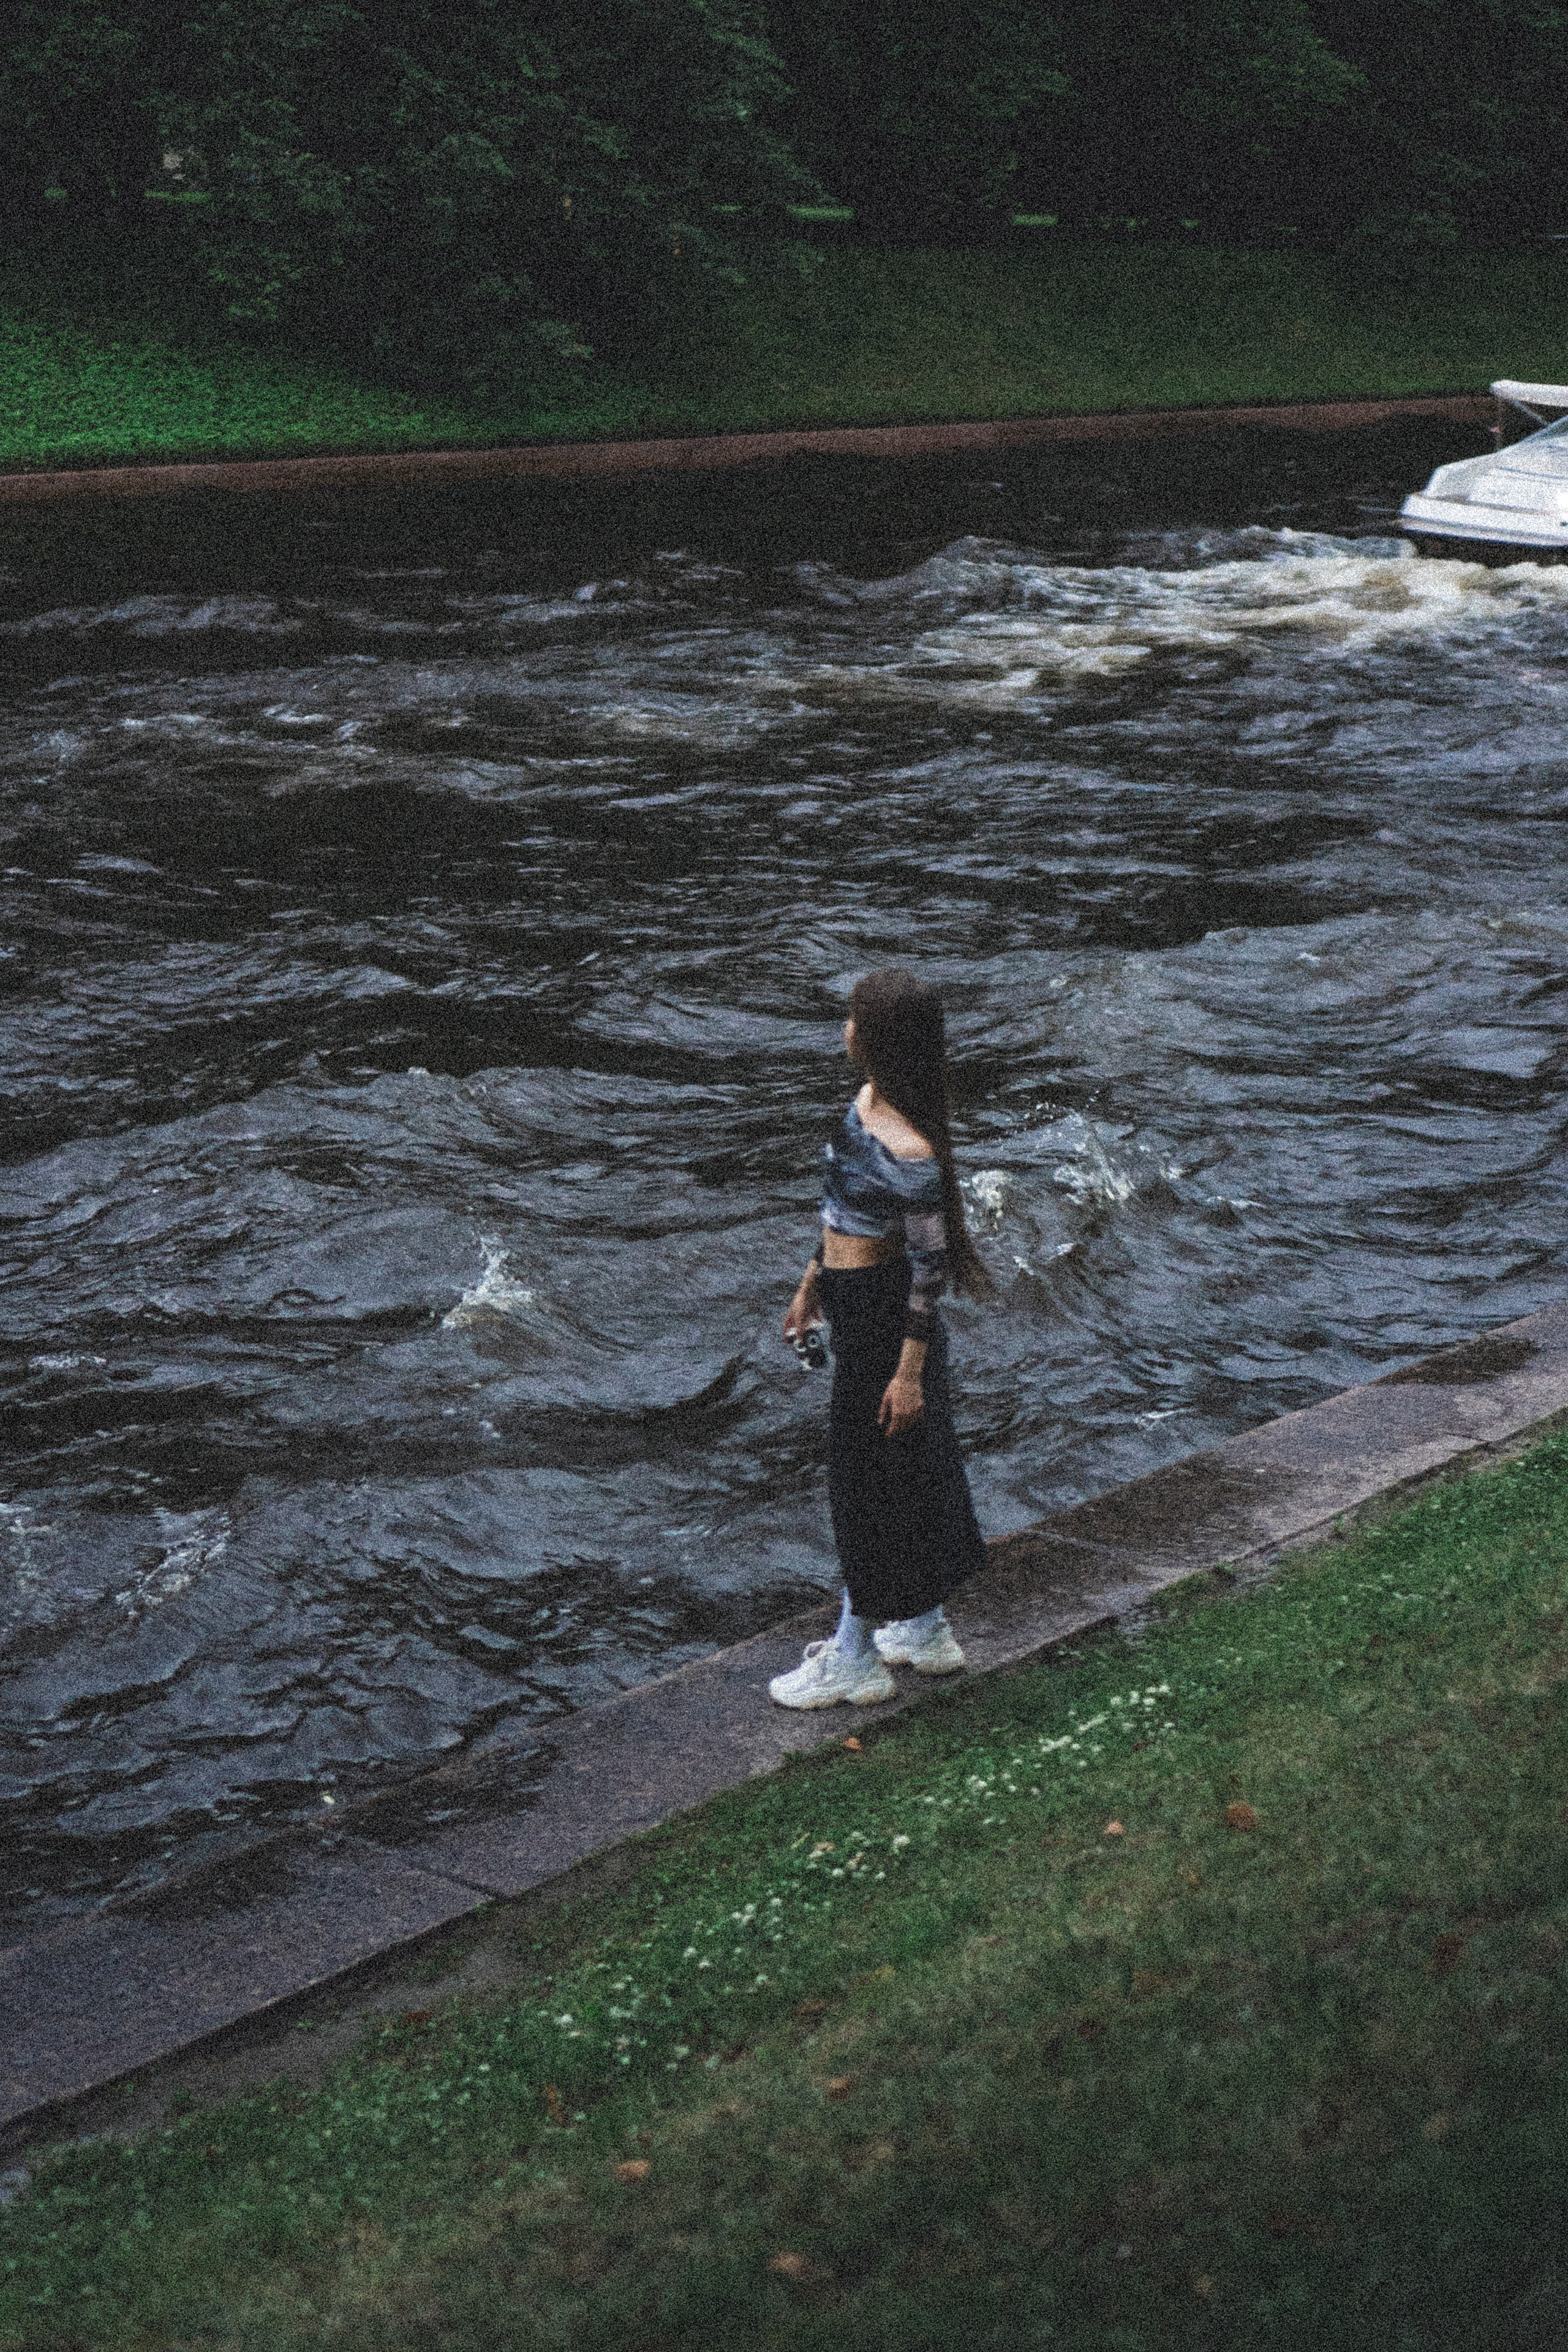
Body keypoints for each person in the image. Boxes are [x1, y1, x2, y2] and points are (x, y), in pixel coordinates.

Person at [771, 967, 993, 1708]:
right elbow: (838, 1206)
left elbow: (929, 1274)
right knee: (907, 1472)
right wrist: (811, 1284)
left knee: (866, 1487)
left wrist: (908, 1376)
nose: (844, 1030)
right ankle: (924, 1631)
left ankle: (854, 1656)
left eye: (851, 1020)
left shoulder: (913, 1154)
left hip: (889, 1325)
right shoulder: (864, 1105)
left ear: (872, 1039)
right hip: (853, 1299)